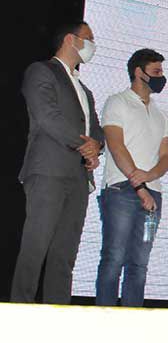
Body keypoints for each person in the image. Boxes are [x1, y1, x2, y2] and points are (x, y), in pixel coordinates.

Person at [12, 21, 104, 304]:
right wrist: (84, 145)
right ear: (70, 39)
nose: (92, 44)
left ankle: (59, 312)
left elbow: (96, 130)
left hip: (78, 178)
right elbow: (47, 116)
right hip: (49, 171)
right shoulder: (42, 71)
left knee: (65, 253)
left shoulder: (85, 90)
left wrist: (96, 147)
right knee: (36, 245)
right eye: (88, 38)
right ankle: (20, 309)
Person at [95, 49, 168, 307]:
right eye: (156, 71)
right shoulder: (117, 102)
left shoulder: (161, 114)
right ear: (139, 72)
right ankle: (104, 317)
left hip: (153, 197)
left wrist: (150, 177)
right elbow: (116, 146)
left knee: (139, 263)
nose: (161, 77)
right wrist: (140, 186)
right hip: (121, 191)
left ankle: (132, 318)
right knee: (114, 258)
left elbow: (167, 157)